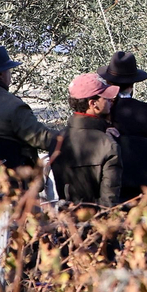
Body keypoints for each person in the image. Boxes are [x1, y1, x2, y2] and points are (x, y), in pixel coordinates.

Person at [0, 45, 59, 169]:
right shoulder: (14, 106)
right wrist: (70, 136)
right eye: (9, 70)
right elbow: (41, 138)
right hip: (7, 179)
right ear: (0, 74)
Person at [101, 51, 147, 200]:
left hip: (108, 187)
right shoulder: (146, 110)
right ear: (132, 84)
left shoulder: (102, 110)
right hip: (142, 190)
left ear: (109, 83)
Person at [51, 72, 122, 206]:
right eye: (106, 98)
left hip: (67, 220)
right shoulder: (108, 144)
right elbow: (108, 202)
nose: (110, 101)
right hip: (98, 222)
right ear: (93, 104)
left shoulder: (57, 140)